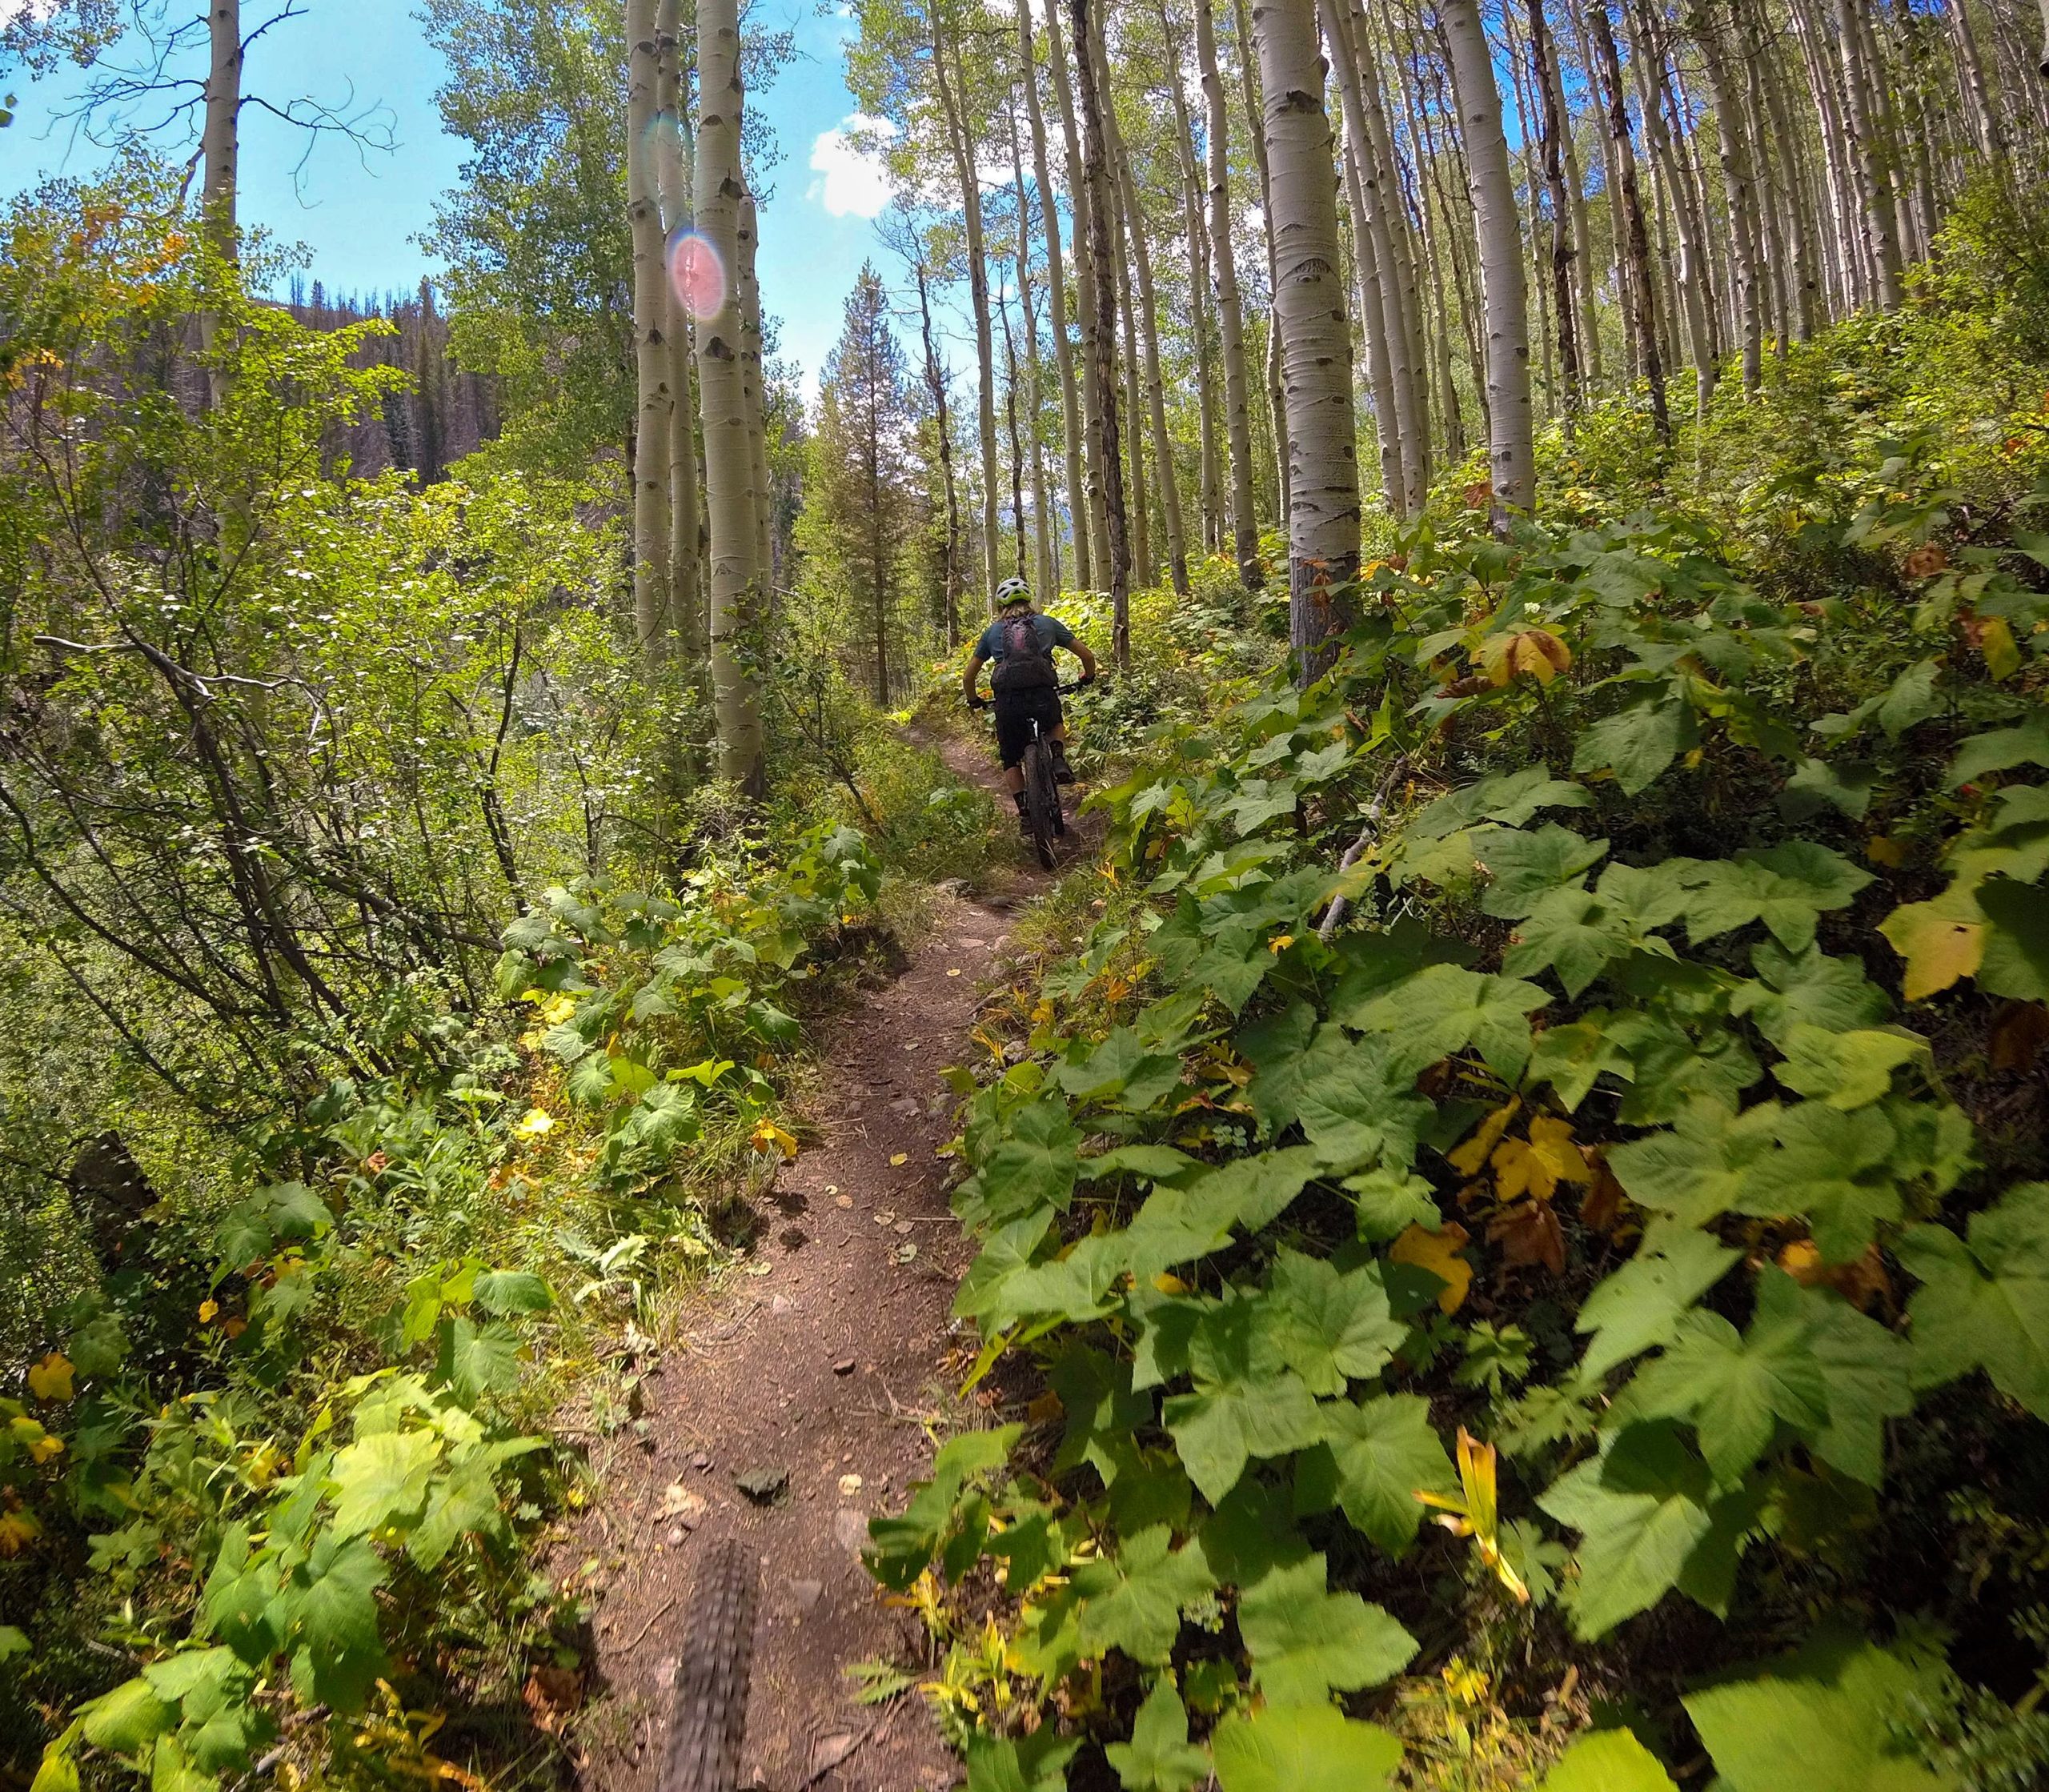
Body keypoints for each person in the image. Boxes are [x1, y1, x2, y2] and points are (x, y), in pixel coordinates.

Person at [961, 576, 1099, 832]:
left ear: (1000, 606)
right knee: (1055, 722)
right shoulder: (1046, 623)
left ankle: (1025, 813)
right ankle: (1057, 758)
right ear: (1029, 600)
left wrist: (974, 700)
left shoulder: (993, 632)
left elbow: (968, 677)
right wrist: (1088, 676)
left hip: (1008, 702)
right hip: (1042, 696)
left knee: (1010, 757)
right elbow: (1087, 655)